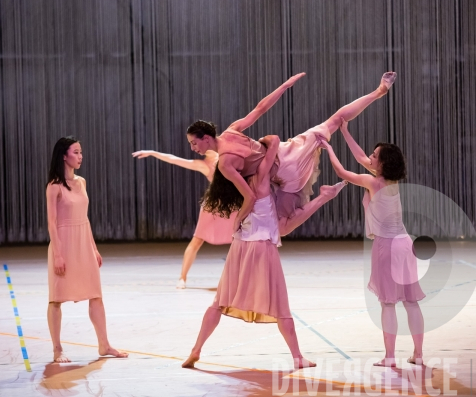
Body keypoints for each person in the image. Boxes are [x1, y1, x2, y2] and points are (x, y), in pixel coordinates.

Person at [182, 134, 346, 370]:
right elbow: (275, 142)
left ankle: (196, 350)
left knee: (218, 303)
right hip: (261, 247)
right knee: (281, 305)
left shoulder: (233, 183)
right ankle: (298, 357)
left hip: (239, 246)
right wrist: (266, 145)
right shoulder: (259, 178)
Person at [186, 72, 396, 230]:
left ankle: (323, 197)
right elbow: (260, 108)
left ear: (205, 138)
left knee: (283, 227)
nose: (193, 148)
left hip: (285, 170)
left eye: (194, 143)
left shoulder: (225, 162)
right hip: (287, 151)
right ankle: (378, 91)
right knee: (334, 120)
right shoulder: (232, 130)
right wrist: (283, 87)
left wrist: (237, 223)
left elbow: (249, 196)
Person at [321, 119, 425, 367]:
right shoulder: (391, 181)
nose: (370, 156)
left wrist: (329, 148)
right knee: (410, 302)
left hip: (387, 246)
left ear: (382, 163)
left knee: (388, 303)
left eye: (374, 155)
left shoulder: (373, 182)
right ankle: (418, 354)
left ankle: (389, 358)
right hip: (405, 244)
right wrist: (345, 131)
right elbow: (360, 158)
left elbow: (342, 173)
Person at [46, 136, 128, 363]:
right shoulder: (54, 186)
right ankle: (57, 349)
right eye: (76, 152)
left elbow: (85, 219)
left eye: (81, 152)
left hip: (83, 243)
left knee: (96, 295)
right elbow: (52, 223)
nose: (80, 157)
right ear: (64, 155)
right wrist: (58, 254)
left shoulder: (81, 182)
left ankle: (104, 344)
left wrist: (94, 248)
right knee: (56, 299)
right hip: (63, 244)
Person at [132, 144, 236, 289]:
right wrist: (153, 152)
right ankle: (182, 278)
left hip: (233, 206)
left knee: (241, 241)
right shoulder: (204, 165)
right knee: (197, 241)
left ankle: (240, 278)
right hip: (213, 206)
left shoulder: (229, 158)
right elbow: (174, 159)